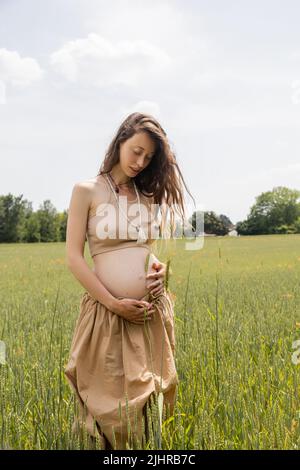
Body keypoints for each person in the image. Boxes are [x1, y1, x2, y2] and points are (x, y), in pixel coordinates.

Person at [64, 112, 194, 450]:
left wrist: (161, 271)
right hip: (108, 313)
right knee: (111, 404)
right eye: (136, 150)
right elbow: (74, 258)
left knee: (155, 399)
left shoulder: (146, 196)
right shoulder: (87, 191)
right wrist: (114, 303)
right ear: (120, 141)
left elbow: (145, 251)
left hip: (149, 313)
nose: (140, 161)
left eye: (149, 157)